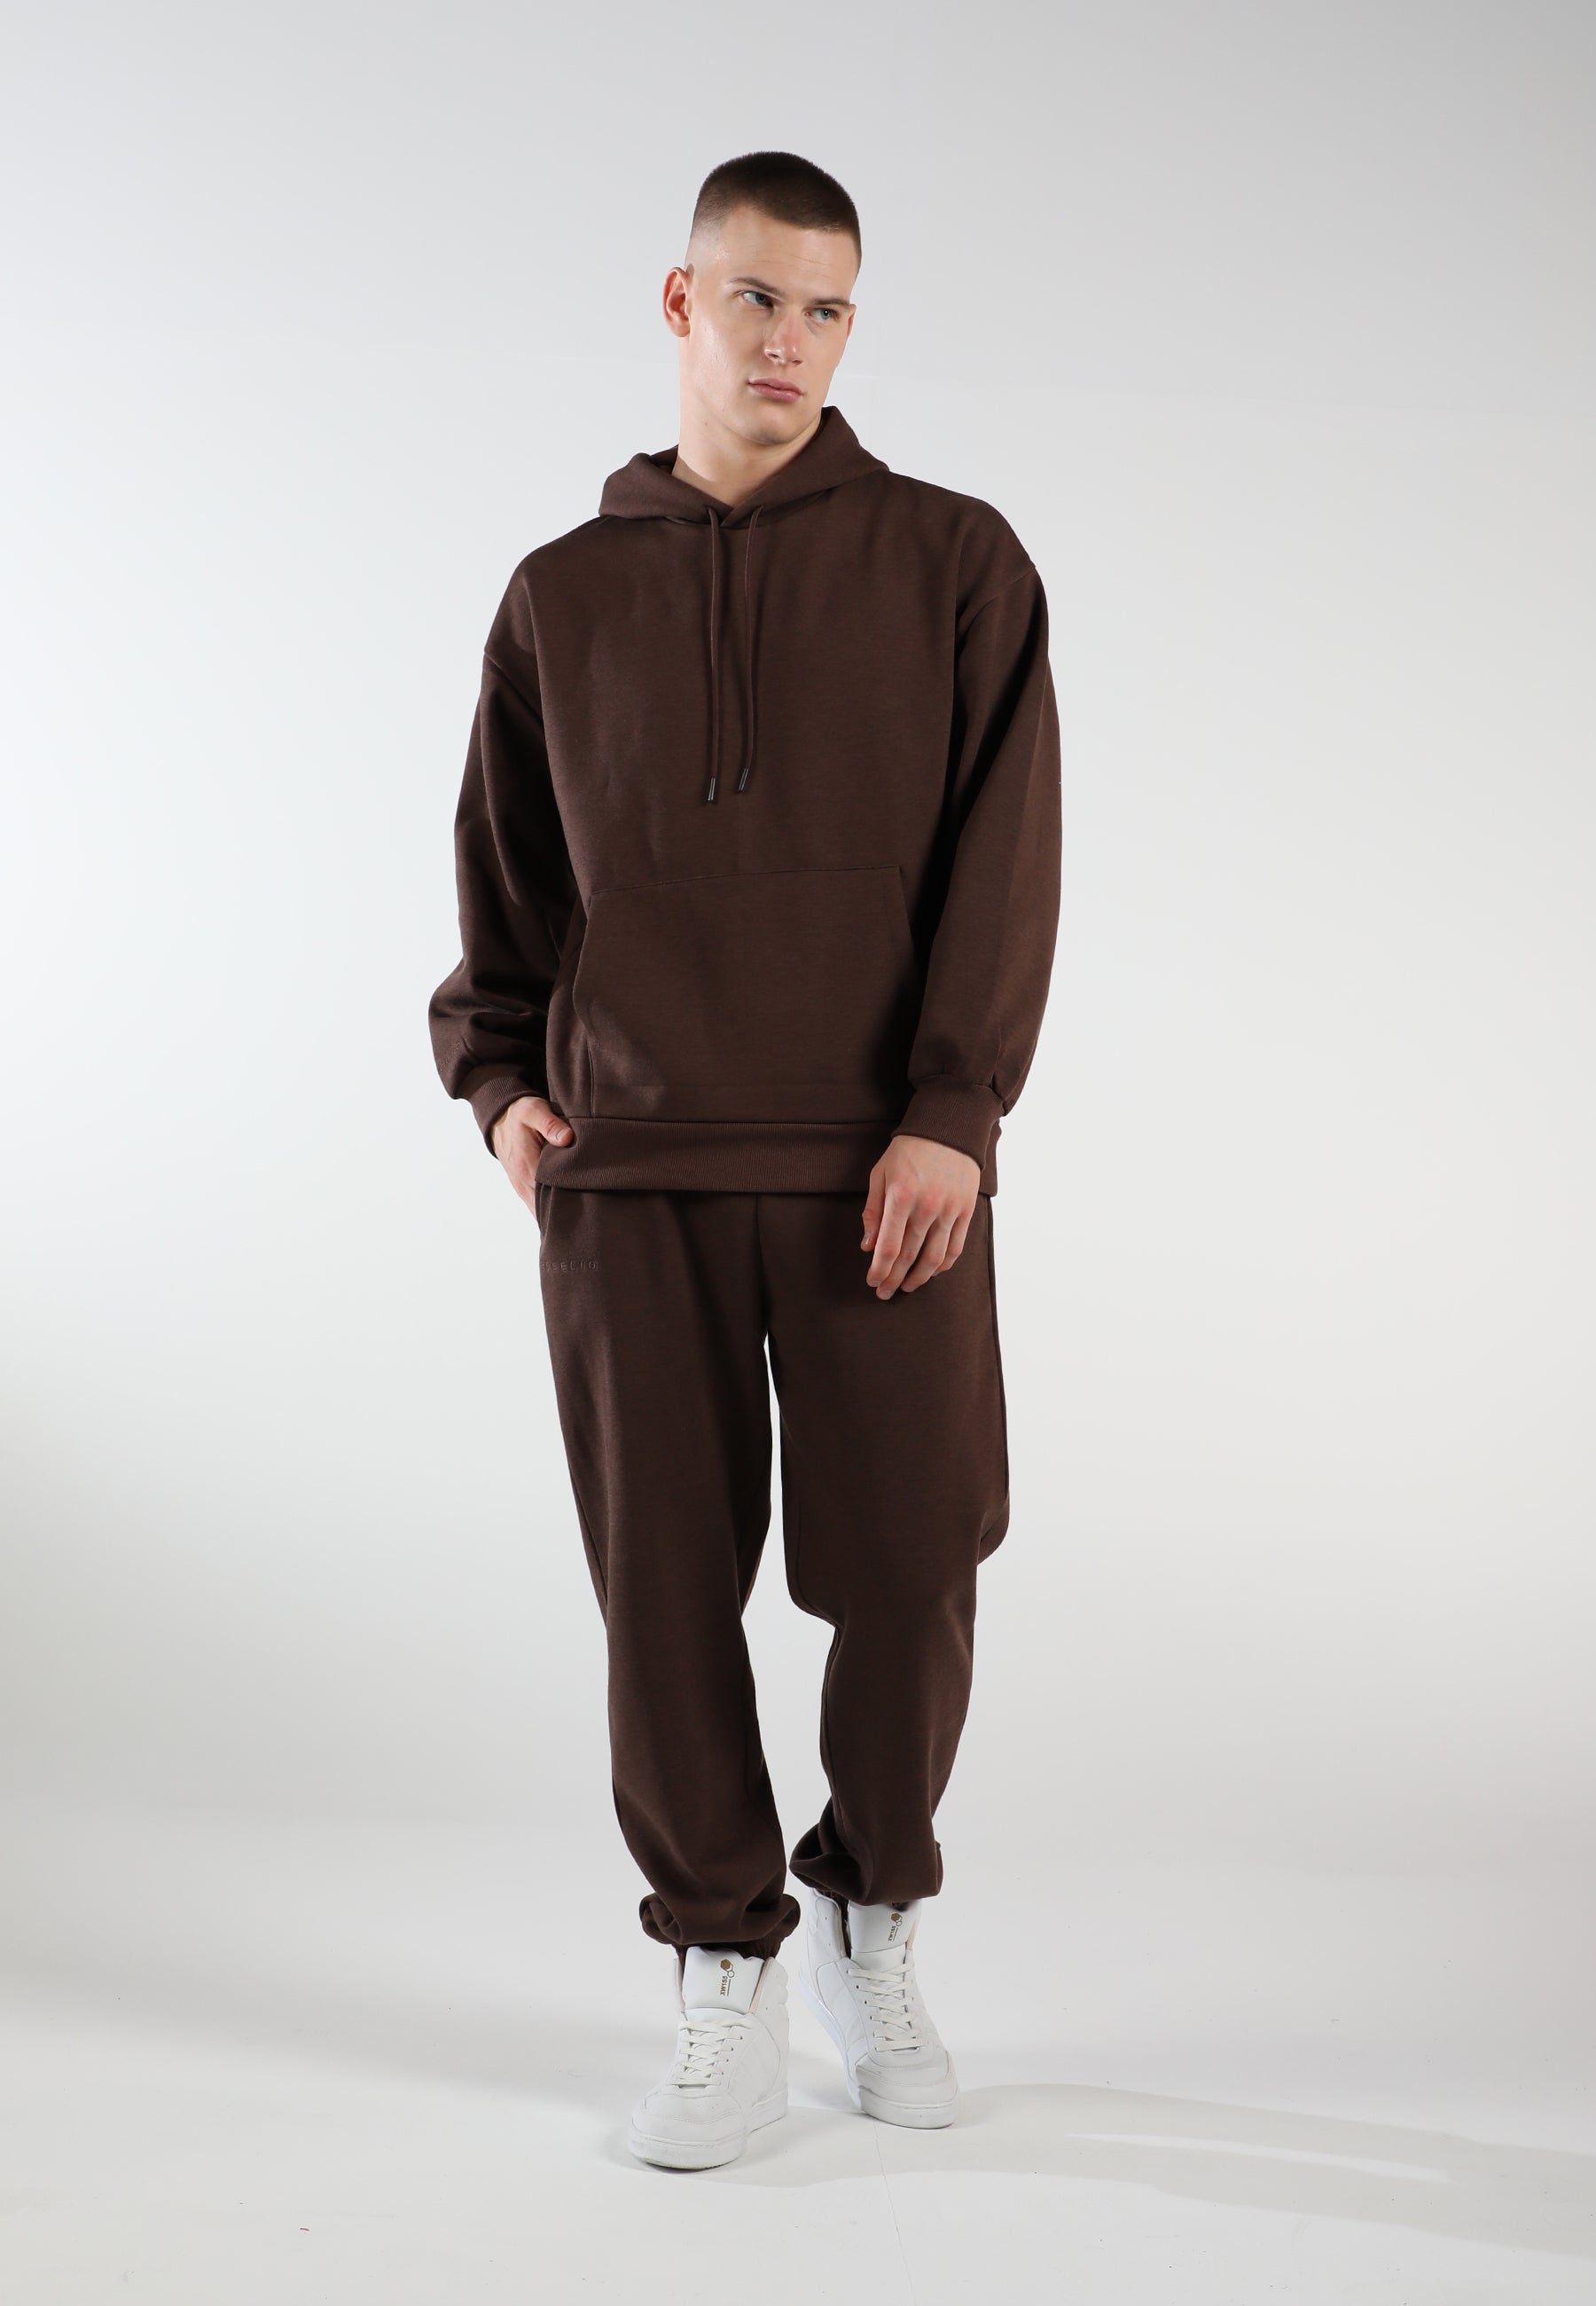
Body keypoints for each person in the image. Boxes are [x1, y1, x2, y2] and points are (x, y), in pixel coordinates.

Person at [428, 149, 1061, 2171]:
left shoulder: (956, 561)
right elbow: (509, 881)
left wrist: (954, 1111)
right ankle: (723, 1951)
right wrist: (501, 1085)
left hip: (885, 1166)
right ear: (682, 303)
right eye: (759, 297)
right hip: (632, 1173)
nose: (792, 340)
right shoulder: (563, 593)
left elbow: (1007, 858)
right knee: (662, 1592)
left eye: (829, 307)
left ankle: (875, 1906)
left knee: (918, 1562)